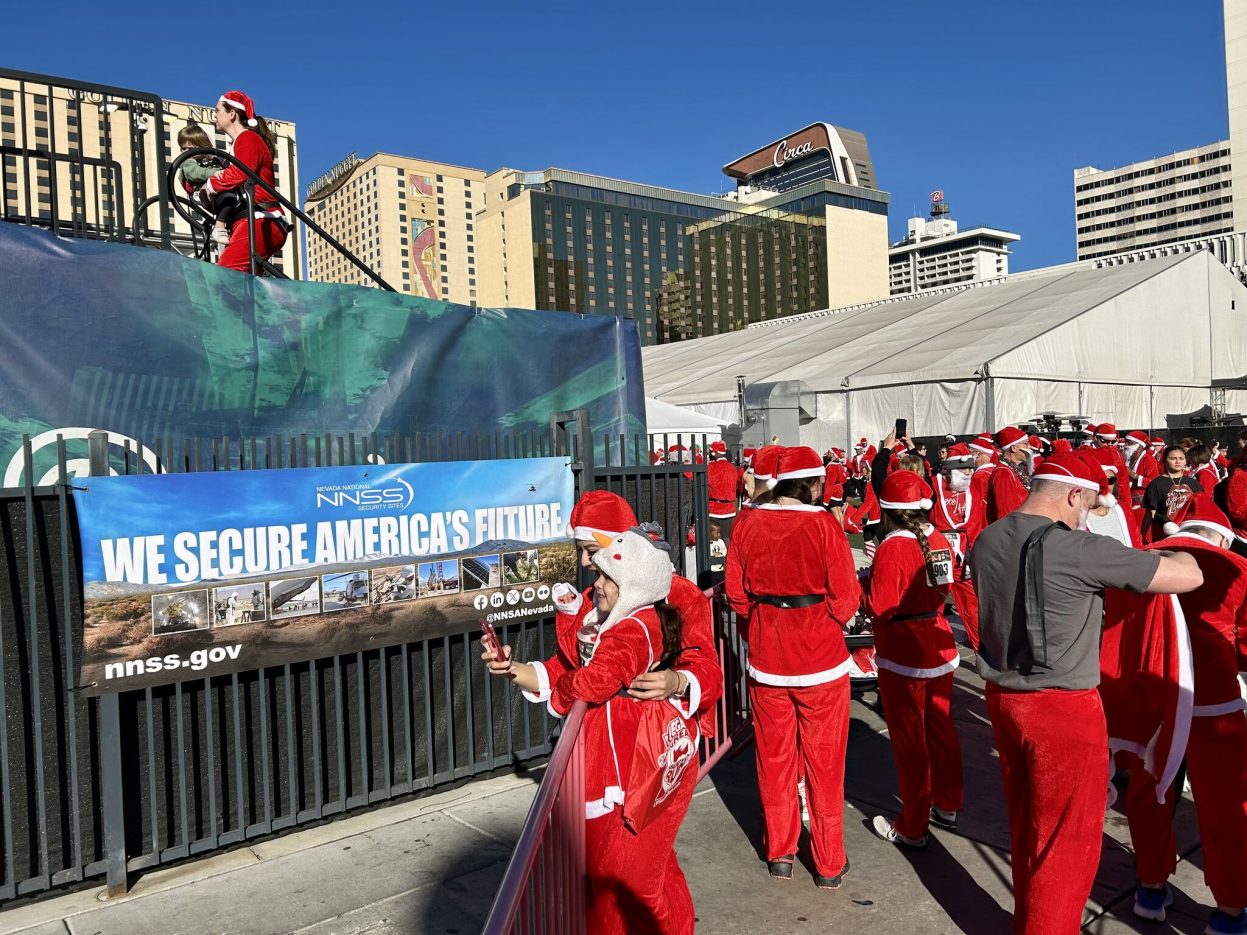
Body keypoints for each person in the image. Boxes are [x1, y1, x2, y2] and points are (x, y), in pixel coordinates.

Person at [970, 453, 1202, 933]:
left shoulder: (988, 536)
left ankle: (1029, 921)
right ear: (1074, 494)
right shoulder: (1078, 547)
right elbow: (1190, 576)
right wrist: (1178, 549)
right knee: (1067, 844)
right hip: (1063, 708)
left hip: (1002, 696)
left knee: (1028, 827)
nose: (1084, 516)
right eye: (1085, 505)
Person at [484, 528, 698, 934]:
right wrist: (513, 669)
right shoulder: (610, 619)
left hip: (634, 765)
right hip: (614, 761)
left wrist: (567, 694)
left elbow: (591, 680)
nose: (593, 581)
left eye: (604, 575)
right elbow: (569, 671)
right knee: (637, 874)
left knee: (629, 880)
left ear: (632, 583)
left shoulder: (636, 626)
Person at [725, 446, 860, 889]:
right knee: (825, 764)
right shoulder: (824, 525)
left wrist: (761, 626)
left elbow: (736, 594)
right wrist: (821, 621)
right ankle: (828, 862)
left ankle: (780, 851)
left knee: (774, 758)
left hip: (767, 659)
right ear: (815, 483)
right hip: (820, 660)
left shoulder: (747, 522)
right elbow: (846, 598)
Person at [1111, 495, 1247, 934]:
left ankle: (1150, 888)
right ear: (1221, 535)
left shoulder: (1138, 564)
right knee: (1226, 807)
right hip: (1214, 703)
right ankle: (1230, 909)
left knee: (1150, 795)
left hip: (1150, 700)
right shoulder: (1235, 570)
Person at [865, 471, 964, 847]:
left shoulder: (892, 547)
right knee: (941, 728)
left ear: (888, 510)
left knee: (910, 742)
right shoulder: (936, 537)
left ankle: (913, 825)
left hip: (904, 652)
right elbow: (945, 588)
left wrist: (863, 584)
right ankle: (949, 804)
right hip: (938, 643)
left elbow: (881, 606)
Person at [197, 90, 288, 273]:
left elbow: (241, 173)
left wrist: (211, 185)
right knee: (245, 282)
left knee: (225, 274)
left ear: (232, 114)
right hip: (248, 220)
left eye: (217, 110)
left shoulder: (248, 138)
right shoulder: (238, 144)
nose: (214, 114)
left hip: (261, 219)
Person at [175, 124, 237, 252]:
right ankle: (219, 226)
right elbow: (194, 172)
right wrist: (212, 174)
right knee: (228, 197)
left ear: (201, 146)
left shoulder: (213, 159)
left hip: (217, 189)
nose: (186, 152)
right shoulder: (188, 162)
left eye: (190, 148)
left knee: (233, 199)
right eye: (183, 149)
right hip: (202, 190)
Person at [1143, 445, 1204, 542]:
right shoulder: (1156, 484)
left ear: (1186, 461)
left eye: (1181, 458)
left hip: (1189, 532)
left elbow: (1201, 509)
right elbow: (1151, 512)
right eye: (1173, 458)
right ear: (1165, 461)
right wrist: (1143, 535)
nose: (1177, 462)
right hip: (1163, 533)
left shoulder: (1193, 483)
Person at [985, 427, 1033, 523]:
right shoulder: (1003, 472)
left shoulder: (1016, 469)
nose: (1030, 447)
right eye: (1026, 443)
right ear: (1014, 448)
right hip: (1015, 530)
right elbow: (1005, 513)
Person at [706, 440, 739, 541]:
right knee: (727, 539)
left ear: (714, 453)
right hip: (730, 509)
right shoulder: (733, 467)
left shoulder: (710, 467)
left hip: (714, 508)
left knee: (711, 539)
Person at [1120, 430, 1160, 509]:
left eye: (1129, 442)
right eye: (1126, 442)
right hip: (1127, 502)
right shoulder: (1127, 459)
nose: (1125, 445)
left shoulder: (1149, 460)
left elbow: (1155, 484)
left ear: (1139, 445)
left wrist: (1134, 475)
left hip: (1143, 505)